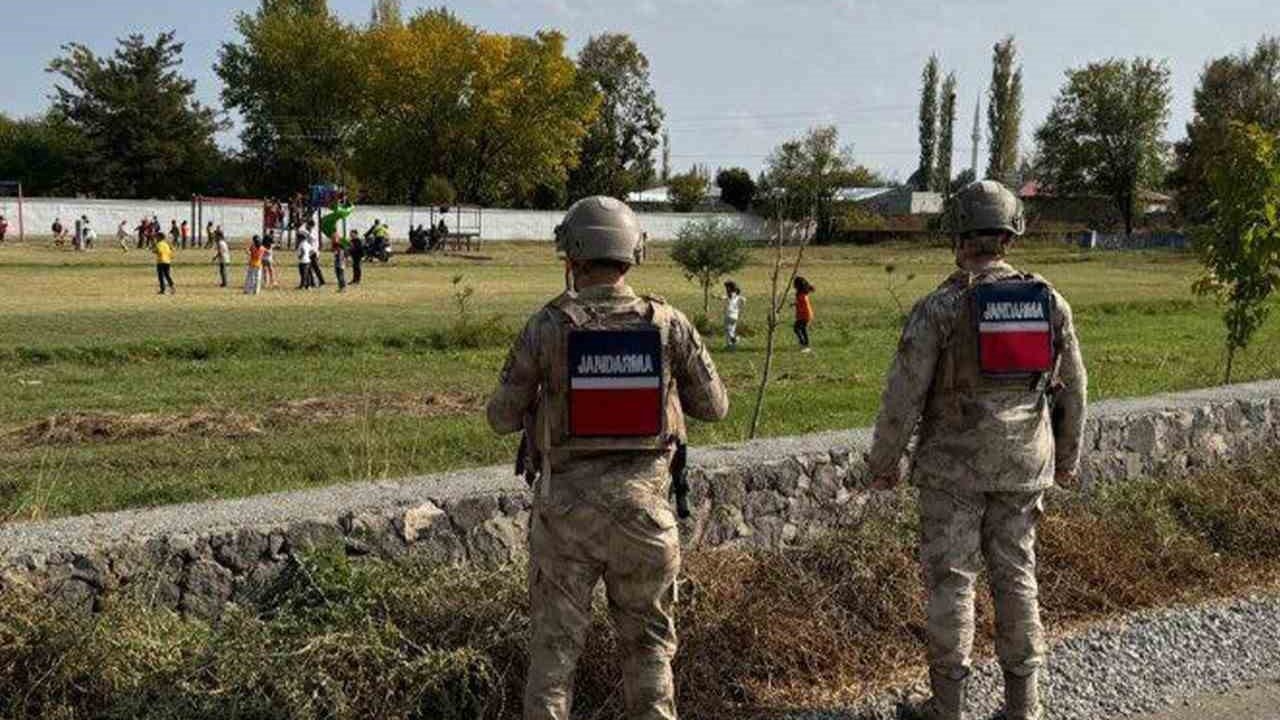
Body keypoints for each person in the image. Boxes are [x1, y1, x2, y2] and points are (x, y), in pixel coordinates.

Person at [487, 196, 729, 720]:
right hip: (646, 519)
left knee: (553, 663)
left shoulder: (547, 325)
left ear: (571, 256)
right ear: (634, 251)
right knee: (649, 656)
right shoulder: (669, 323)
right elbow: (715, 406)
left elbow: (501, 417)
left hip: (565, 522)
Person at [866, 180, 1088, 720]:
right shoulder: (1047, 301)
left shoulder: (941, 307)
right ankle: (1023, 706)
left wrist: (884, 462)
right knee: (1017, 575)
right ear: (1011, 233)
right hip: (1024, 464)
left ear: (958, 234)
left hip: (953, 470)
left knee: (952, 581)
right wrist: (1067, 460)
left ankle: (948, 708)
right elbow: (1075, 387)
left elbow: (903, 394)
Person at [793, 276, 814, 352]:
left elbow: (803, 305)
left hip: (804, 315)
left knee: (797, 328)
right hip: (806, 315)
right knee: (802, 329)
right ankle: (805, 345)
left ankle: (804, 344)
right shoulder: (803, 293)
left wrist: (797, 305)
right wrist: (795, 304)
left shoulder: (801, 294)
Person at [723, 280, 745, 349]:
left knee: (728, 330)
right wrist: (740, 306)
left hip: (729, 314)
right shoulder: (737, 295)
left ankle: (734, 339)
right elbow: (744, 299)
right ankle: (731, 345)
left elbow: (725, 297)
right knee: (731, 330)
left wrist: (716, 297)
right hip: (735, 315)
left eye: (727, 287)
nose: (726, 289)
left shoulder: (731, 294)